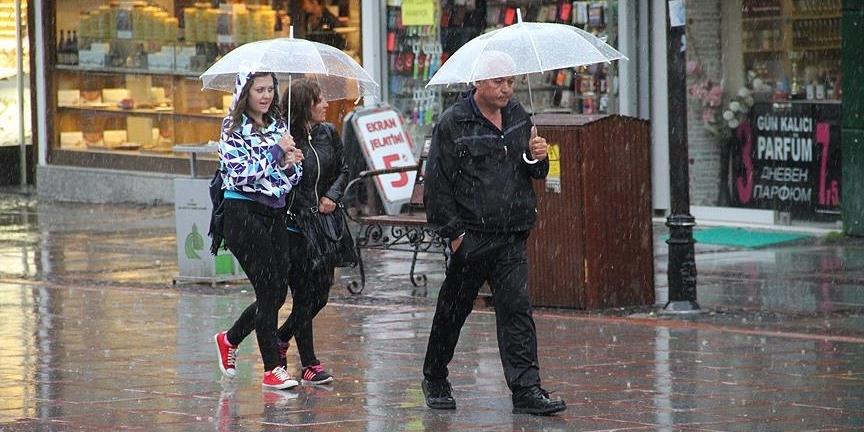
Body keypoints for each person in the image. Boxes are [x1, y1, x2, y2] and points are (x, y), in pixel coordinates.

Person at [420, 51, 567, 415]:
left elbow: (534, 173)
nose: (507, 89)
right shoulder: (454, 123)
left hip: (511, 233)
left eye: (511, 81)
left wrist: (538, 156)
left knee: (517, 312)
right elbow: (437, 184)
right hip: (471, 236)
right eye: (498, 82)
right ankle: (435, 376)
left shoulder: (519, 115)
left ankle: (526, 389)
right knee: (453, 310)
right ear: (478, 83)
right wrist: (455, 235)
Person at [213, 71, 305, 390]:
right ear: (245, 93)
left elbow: (290, 177)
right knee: (268, 290)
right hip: (242, 214)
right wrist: (277, 156)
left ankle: (230, 339)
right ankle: (272, 368)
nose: (265, 96)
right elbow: (241, 174)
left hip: (275, 212)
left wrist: (292, 163)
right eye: (259, 90)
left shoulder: (278, 124)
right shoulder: (232, 128)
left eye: (270, 89)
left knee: (278, 293)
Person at [274, 78, 350, 385]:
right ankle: (309, 363)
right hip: (296, 226)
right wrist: (287, 161)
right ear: (305, 104)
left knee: (320, 295)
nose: (326, 105)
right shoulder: (286, 140)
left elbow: (345, 168)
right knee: (303, 293)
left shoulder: (328, 133)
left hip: (325, 225)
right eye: (319, 100)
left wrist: (332, 195)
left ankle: (282, 336)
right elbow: (277, 182)